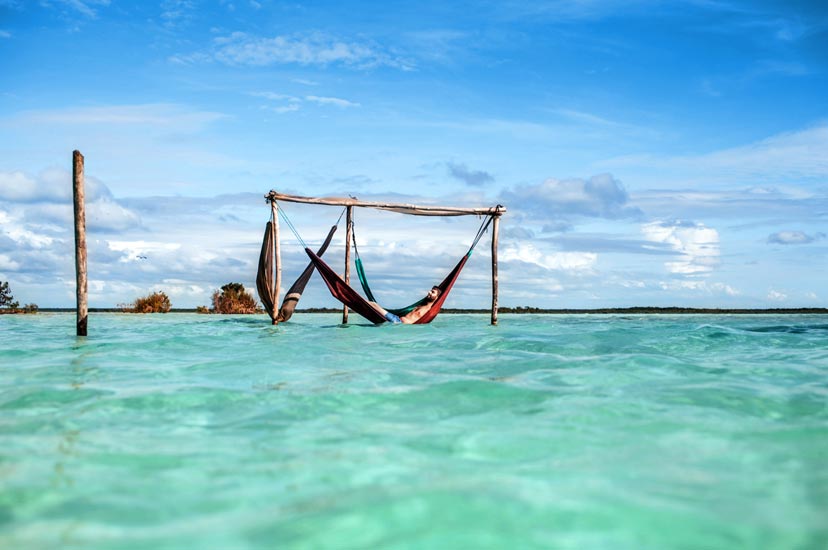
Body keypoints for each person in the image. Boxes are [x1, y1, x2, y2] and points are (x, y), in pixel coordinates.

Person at [370, 286, 442, 324]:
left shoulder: (429, 310)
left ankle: (359, 302)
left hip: (397, 322)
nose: (429, 292)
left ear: (437, 297)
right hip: (396, 320)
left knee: (374, 305)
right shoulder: (421, 304)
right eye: (430, 290)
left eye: (433, 292)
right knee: (374, 305)